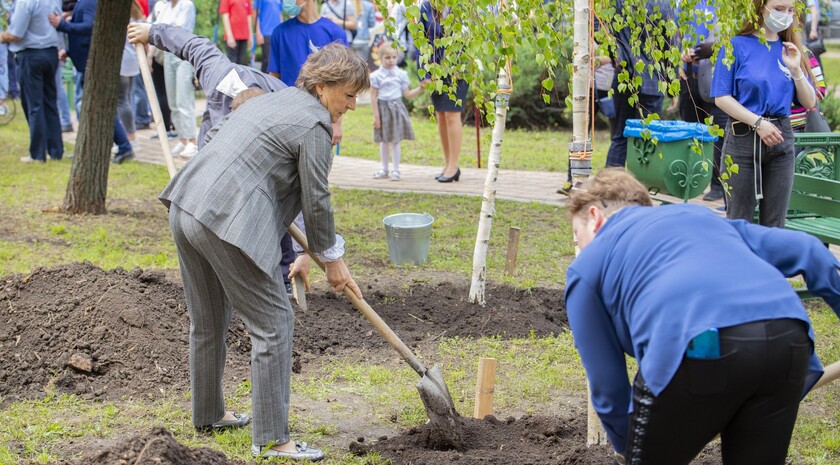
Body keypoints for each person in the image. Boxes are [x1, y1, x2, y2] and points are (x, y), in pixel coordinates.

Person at [160, 43, 367, 461]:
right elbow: (318, 198)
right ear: (323, 88)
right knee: (274, 322)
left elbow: (220, 138)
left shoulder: (270, 103)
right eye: (348, 94)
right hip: (224, 222)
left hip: (186, 205)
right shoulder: (315, 125)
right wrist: (333, 258)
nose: (353, 105)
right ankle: (273, 439)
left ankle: (209, 415)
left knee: (208, 319)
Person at [566, 168, 840, 465]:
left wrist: (629, 446)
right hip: (788, 336)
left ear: (594, 217)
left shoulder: (585, 268)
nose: (580, 247)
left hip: (699, 345)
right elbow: (809, 250)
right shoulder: (699, 217)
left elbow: (608, 386)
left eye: (578, 236)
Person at [711, 0, 817, 227]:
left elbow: (809, 100)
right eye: (779, 8)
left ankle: (770, 263)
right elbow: (721, 97)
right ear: (761, 7)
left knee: (775, 223)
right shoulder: (736, 45)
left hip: (781, 139)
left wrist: (797, 69)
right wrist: (758, 123)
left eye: (790, 11)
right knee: (740, 220)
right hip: (743, 138)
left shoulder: (790, 48)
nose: (785, 15)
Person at [50, 0, 136, 163]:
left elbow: (89, 28)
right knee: (95, 108)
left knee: (100, 108)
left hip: (90, 64)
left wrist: (62, 25)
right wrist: (69, 51)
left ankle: (124, 146)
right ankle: (97, 148)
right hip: (85, 63)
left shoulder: (89, 2)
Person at [605, 0, 675, 168]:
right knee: (647, 140)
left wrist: (618, 58)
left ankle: (609, 187)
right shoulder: (664, 4)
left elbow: (610, 37)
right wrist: (672, 87)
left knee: (620, 134)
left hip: (624, 77)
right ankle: (642, 187)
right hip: (651, 80)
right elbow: (669, 47)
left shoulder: (618, 2)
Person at [268, 0, 348, 145]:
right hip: (288, 113)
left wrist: (336, 123)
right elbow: (273, 76)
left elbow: (343, 82)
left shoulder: (335, 33)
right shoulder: (280, 33)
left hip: (322, 115)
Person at [0, 0, 64, 163]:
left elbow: (15, 33)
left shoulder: (25, 2)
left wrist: (2, 36)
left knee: (33, 105)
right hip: (50, 53)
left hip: (31, 55)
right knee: (50, 103)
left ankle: (37, 153)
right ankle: (56, 150)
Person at [678, 1, 729, 202]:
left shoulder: (727, 6)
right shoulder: (685, 5)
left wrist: (713, 49)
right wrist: (679, 59)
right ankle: (690, 182)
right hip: (689, 77)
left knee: (719, 135)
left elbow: (735, 38)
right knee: (691, 132)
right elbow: (676, 35)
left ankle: (717, 185)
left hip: (716, 77)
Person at [419, 1, 467, 183]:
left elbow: (468, 39)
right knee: (441, 115)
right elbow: (420, 42)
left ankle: (454, 165)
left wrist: (459, 67)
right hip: (434, 71)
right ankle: (448, 164)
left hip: (458, 70)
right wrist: (423, 72)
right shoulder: (425, 7)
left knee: (452, 115)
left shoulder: (460, 6)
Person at [151, 0, 198, 158]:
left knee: (184, 99)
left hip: (182, 55)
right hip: (167, 55)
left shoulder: (186, 5)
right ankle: (183, 138)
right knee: (172, 101)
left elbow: (178, 29)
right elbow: (155, 26)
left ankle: (192, 140)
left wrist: (161, 28)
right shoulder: (165, 7)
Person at [370, 41, 422, 181]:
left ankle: (396, 170)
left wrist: (420, 89)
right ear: (380, 58)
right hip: (383, 109)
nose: (391, 60)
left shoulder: (401, 74)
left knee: (396, 141)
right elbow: (373, 97)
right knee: (384, 141)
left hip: (397, 108)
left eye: (394, 57)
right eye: (387, 58)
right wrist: (376, 117)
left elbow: (407, 94)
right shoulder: (376, 76)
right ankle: (384, 169)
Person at [219, 0, 253, 66]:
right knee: (232, 64)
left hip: (244, 36)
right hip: (233, 36)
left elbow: (249, 16)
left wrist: (250, 36)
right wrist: (229, 36)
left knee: (242, 63)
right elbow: (225, 16)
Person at [253, 0, 280, 73]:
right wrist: (258, 32)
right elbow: (255, 13)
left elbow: (280, 14)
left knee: (277, 62)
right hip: (266, 33)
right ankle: (263, 82)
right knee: (267, 61)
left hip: (277, 33)